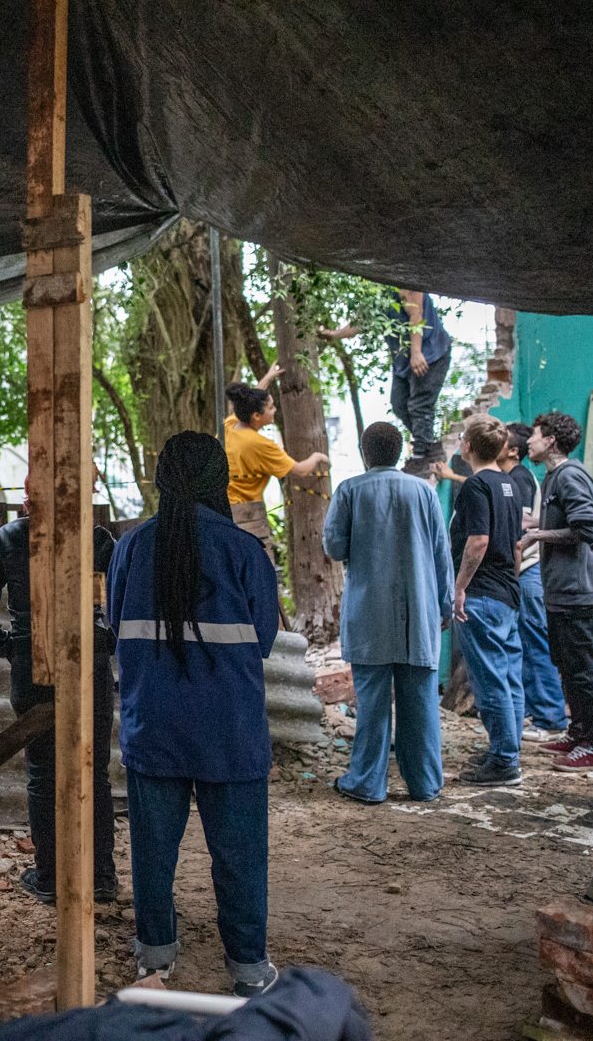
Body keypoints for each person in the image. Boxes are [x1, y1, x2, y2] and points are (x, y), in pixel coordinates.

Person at [106, 431, 280, 996]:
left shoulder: (131, 548)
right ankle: (249, 971)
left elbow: (114, 628)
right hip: (229, 733)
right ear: (218, 480)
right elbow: (264, 640)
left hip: (152, 726)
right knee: (240, 856)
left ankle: (154, 959)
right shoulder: (244, 552)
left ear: (162, 481)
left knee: (153, 853)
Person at [0, 503, 119, 904]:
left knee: (42, 772)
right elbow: (120, 605)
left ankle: (51, 876)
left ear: (27, 498)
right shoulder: (98, 540)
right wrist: (106, 644)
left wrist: (7, 645)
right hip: (91, 661)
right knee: (94, 768)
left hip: (31, 663)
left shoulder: (9, 538)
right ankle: (101, 875)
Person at [323, 422, 454, 804]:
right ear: (398, 453)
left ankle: (367, 782)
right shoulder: (424, 492)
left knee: (373, 704)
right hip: (420, 611)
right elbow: (440, 554)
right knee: (421, 704)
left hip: (369, 612)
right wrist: (444, 604)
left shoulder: (349, 490)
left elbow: (333, 546)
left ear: (366, 452)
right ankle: (425, 783)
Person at [518, 411, 593, 772]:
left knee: (583, 669)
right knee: (568, 666)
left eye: (536, 435)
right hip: (560, 590)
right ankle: (578, 733)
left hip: (576, 589)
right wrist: (536, 522)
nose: (529, 440)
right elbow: (567, 520)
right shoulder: (554, 475)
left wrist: (538, 535)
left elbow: (587, 527)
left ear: (551, 440)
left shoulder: (570, 475)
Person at [448, 415, 527, 786]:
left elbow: (477, 541)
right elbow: (515, 546)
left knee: (490, 679)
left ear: (468, 447)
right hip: (507, 591)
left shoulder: (476, 486)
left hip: (482, 594)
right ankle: (506, 749)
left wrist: (459, 587)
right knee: (509, 676)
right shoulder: (510, 484)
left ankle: (504, 761)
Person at [323, 289, 453, 477]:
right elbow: (360, 323)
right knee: (399, 404)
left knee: (420, 405)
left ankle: (420, 457)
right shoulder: (376, 292)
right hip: (403, 360)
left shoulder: (405, 281)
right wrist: (334, 335)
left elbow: (416, 314)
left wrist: (416, 352)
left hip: (429, 355)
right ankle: (429, 447)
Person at [224, 373, 329, 543]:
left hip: (219, 510)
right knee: (259, 565)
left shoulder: (230, 426)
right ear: (256, 416)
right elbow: (301, 470)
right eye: (271, 407)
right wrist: (318, 456)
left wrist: (268, 377)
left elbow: (250, 400)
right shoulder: (261, 444)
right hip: (246, 516)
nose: (275, 410)